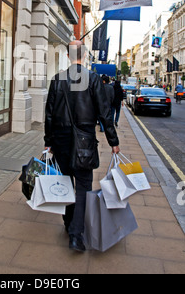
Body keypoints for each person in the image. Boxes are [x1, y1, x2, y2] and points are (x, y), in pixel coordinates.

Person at [44, 40, 120, 253]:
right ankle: (76, 235)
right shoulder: (94, 79)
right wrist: (113, 142)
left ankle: (69, 225)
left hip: (61, 140)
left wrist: (48, 141)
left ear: (68, 55)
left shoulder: (57, 80)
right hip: (85, 141)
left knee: (65, 183)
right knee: (84, 186)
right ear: (84, 56)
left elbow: (49, 115)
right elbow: (105, 114)